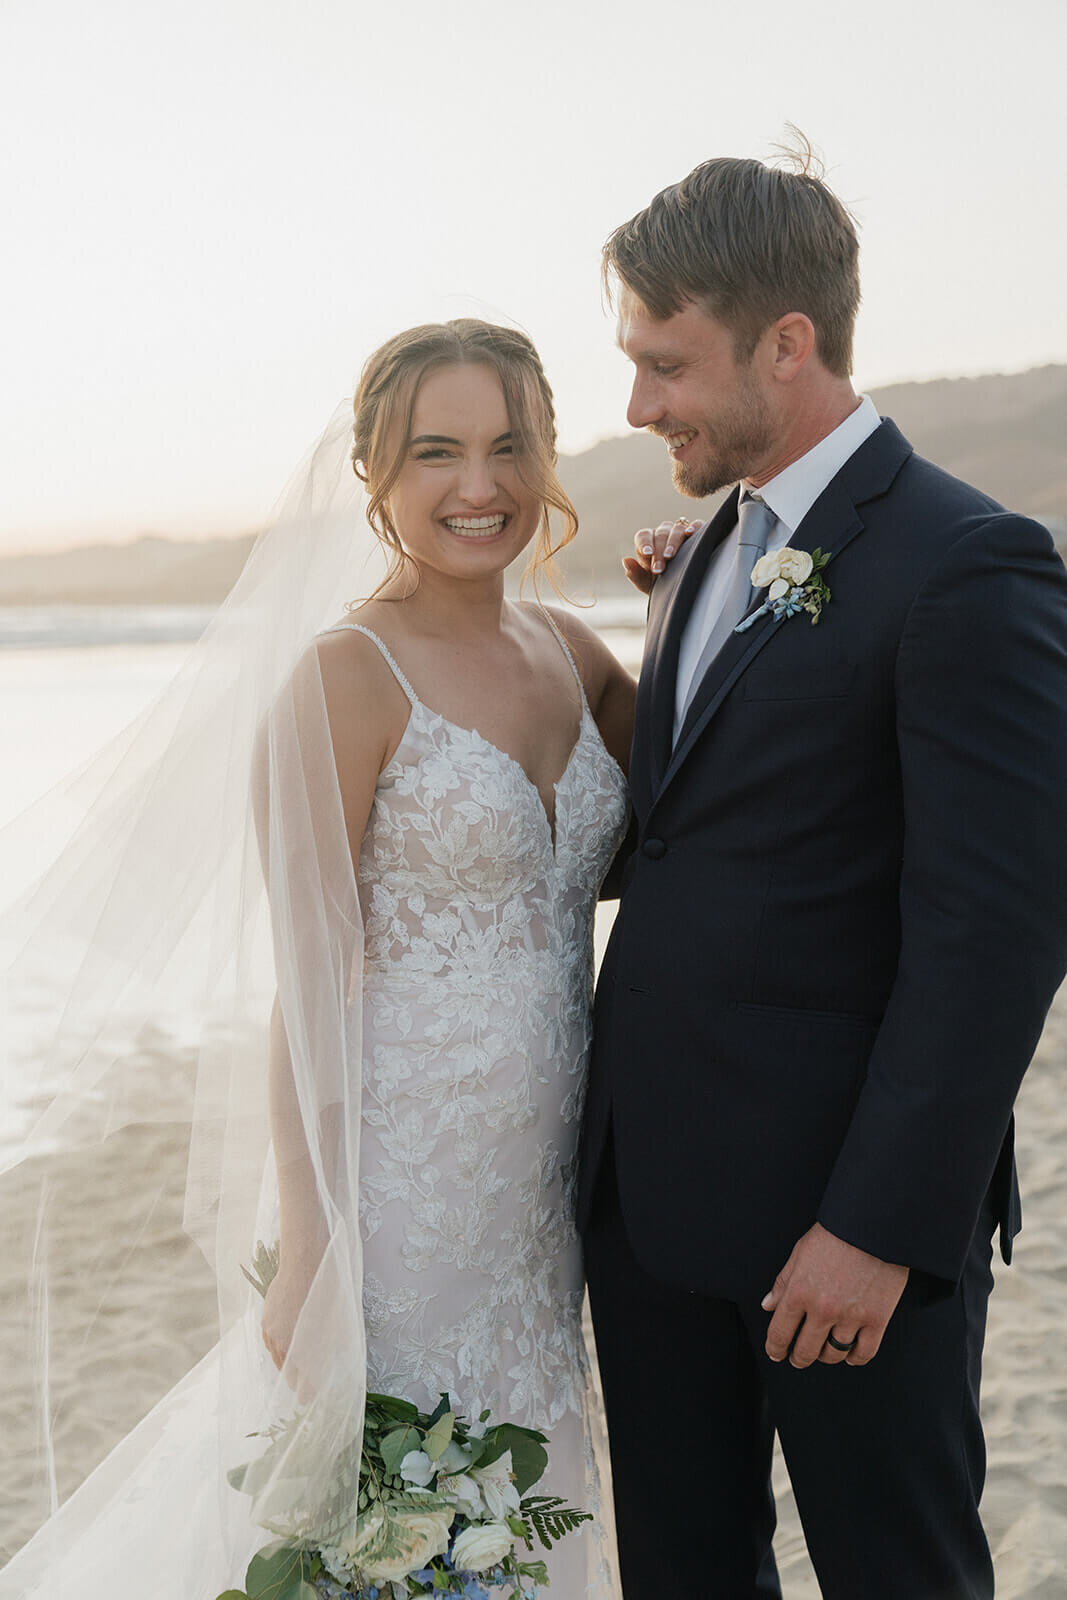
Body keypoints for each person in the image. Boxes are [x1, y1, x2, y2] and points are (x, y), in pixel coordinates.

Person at [0, 319, 632, 1597]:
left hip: (540, 1202)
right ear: (375, 478)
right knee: (386, 1534)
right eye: (435, 452)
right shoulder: (344, 677)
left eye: (510, 445)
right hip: (400, 1200)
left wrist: (682, 603)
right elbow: (305, 986)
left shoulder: (569, 652)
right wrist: (312, 1246)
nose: (479, 484)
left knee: (523, 1512)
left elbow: (680, 824)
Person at [579, 150, 1067, 1597]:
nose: (636, 408)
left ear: (784, 345)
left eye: (663, 366)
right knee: (679, 1571)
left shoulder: (967, 562)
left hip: (836, 1221)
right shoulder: (696, 554)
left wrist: (873, 1228)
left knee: (894, 1571)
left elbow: (994, 931)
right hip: (649, 1200)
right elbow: (689, 835)